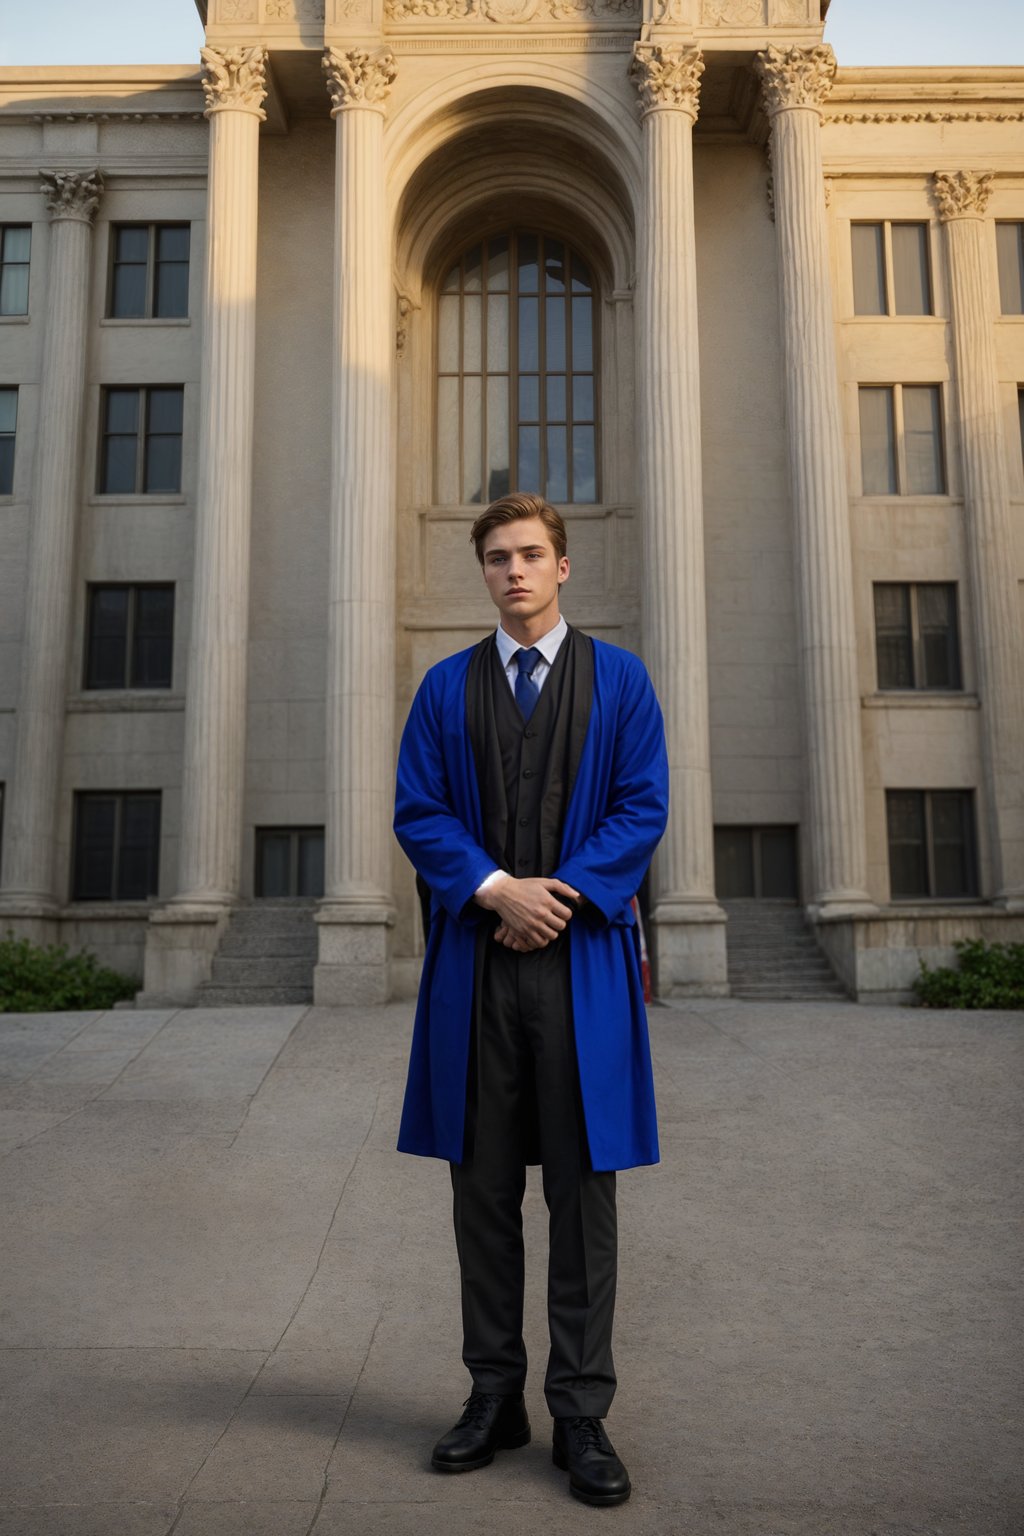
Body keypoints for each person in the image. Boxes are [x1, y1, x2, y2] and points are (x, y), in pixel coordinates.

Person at [393, 491, 669, 1507]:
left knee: (583, 1196)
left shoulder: (622, 683)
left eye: (530, 555)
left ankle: (582, 1413)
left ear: (563, 569)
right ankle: (494, 1396)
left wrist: (561, 895)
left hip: (583, 964)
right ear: (485, 573)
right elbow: (416, 808)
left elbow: (644, 802)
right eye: (497, 558)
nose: (513, 571)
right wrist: (492, 888)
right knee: (482, 1193)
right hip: (476, 969)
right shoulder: (443, 689)